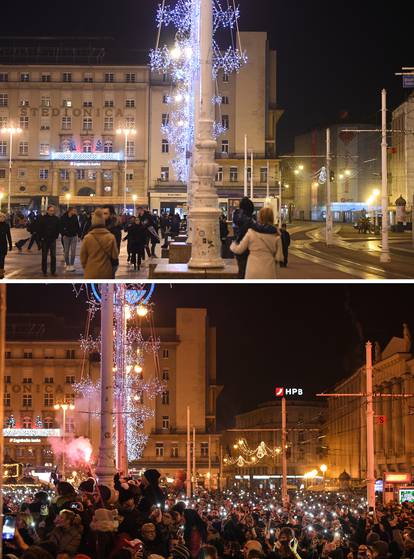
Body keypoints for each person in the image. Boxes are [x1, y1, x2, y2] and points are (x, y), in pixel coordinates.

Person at [230, 207, 283, 279]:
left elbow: (239, 250)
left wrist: (233, 244)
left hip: (253, 269)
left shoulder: (251, 232)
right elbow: (279, 257)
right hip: (269, 270)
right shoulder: (276, 234)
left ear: (260, 217)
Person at [80, 208, 119, 279]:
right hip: (106, 272)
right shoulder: (111, 237)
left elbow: (83, 257)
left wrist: (86, 267)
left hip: (90, 272)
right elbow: (115, 256)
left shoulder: (87, 238)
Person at [232, 197, 255, 279]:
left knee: (242, 270)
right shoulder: (249, 221)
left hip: (239, 246)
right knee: (245, 271)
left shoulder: (237, 217)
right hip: (248, 248)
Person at [38, 205, 60, 277]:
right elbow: (40, 229)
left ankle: (53, 271)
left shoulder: (56, 219)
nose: (52, 212)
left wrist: (56, 236)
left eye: (53, 210)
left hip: (52, 239)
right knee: (44, 256)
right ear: (47, 211)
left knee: (53, 256)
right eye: (50, 210)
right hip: (44, 240)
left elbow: (58, 228)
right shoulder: (43, 218)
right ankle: (44, 271)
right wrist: (41, 238)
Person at [60, 207, 80, 272]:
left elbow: (77, 226)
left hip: (74, 236)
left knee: (73, 251)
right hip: (66, 237)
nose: (75, 212)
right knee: (66, 251)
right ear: (70, 211)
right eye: (74, 210)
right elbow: (60, 226)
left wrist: (79, 235)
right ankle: (67, 265)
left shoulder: (75, 217)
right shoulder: (64, 217)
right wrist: (63, 233)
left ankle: (72, 265)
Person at [0, 211, 12, 279]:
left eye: (3, 217)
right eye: (1, 217)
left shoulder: (6, 225)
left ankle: (1, 272)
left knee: (2, 259)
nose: (2, 218)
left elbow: (9, 236)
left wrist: (10, 245)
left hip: (4, 245)